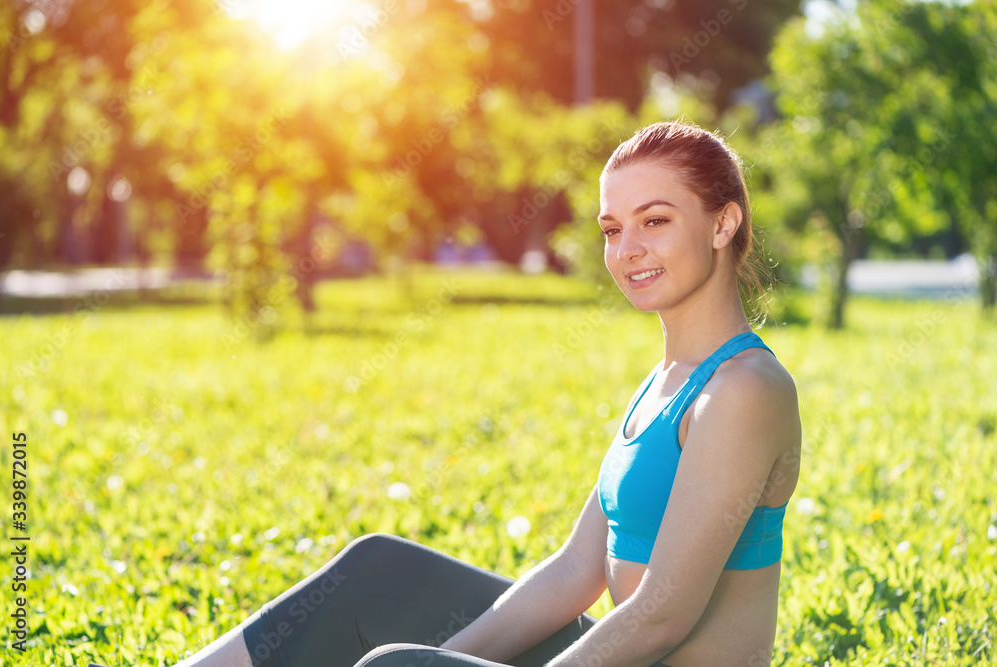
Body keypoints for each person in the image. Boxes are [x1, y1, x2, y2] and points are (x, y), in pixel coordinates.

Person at [90, 119, 801, 667]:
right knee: (377, 572)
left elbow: (665, 614)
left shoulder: (745, 390)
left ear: (723, 221)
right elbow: (575, 572)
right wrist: (454, 654)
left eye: (656, 220)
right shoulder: (667, 380)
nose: (627, 249)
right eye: (613, 228)